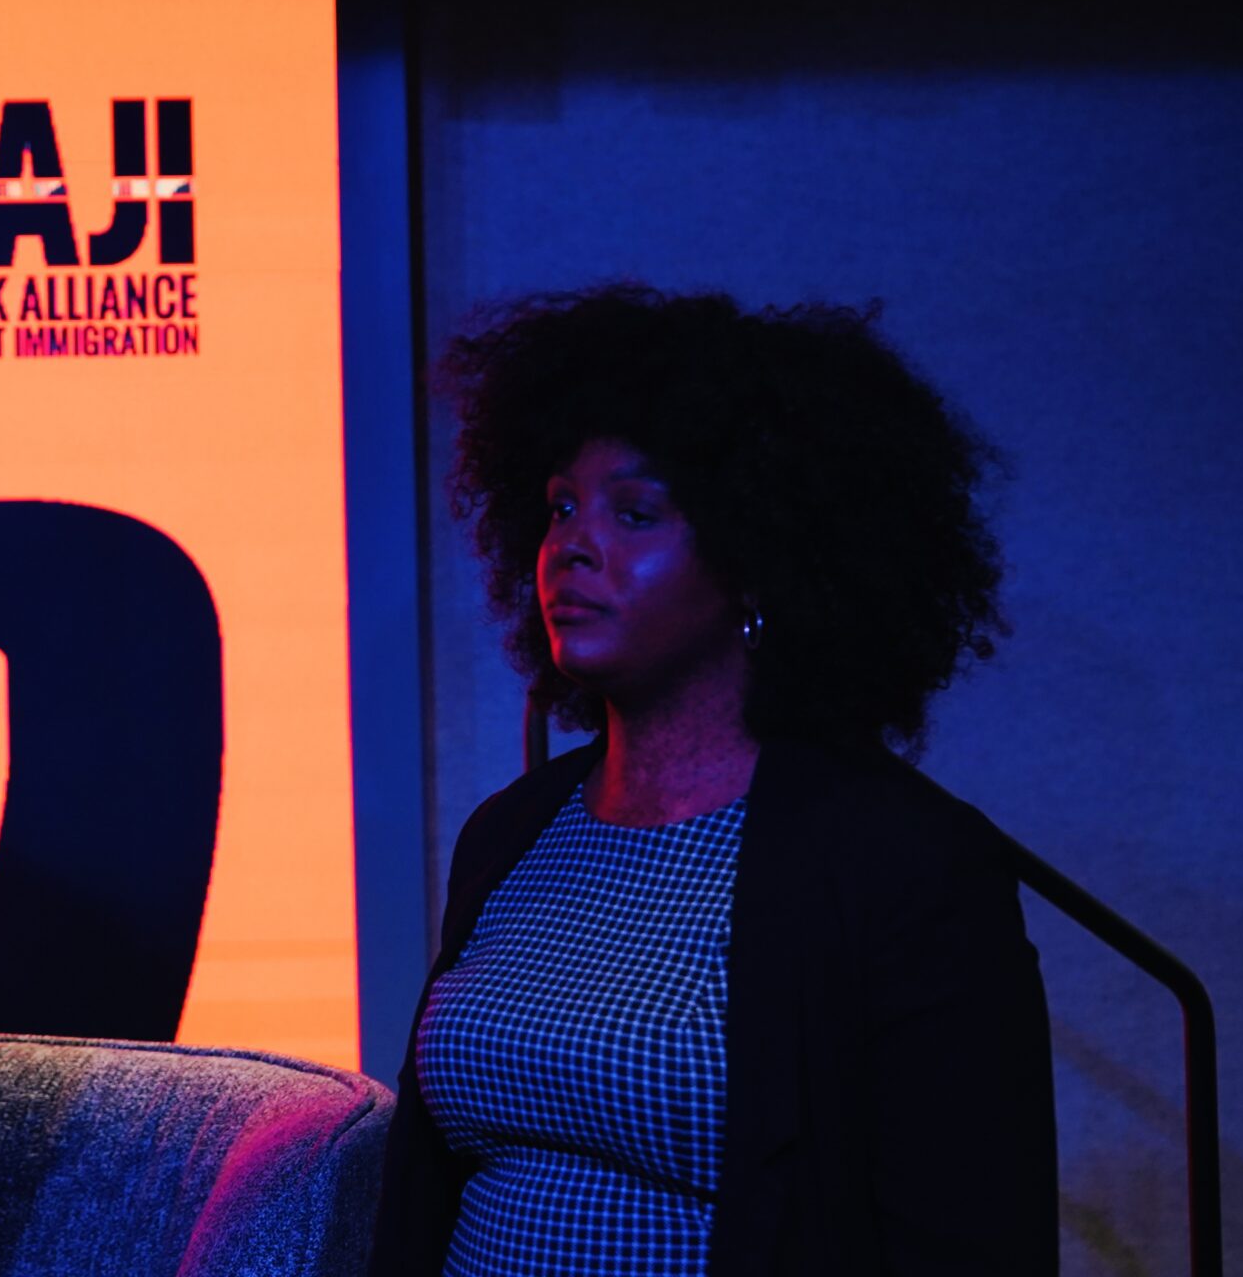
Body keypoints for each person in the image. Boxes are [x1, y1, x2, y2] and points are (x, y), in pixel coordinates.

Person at [369, 288, 1056, 1275]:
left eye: (634, 512)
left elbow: (970, 1234)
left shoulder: (898, 864)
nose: (571, 543)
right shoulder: (514, 832)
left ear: (758, 563)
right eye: (560, 505)